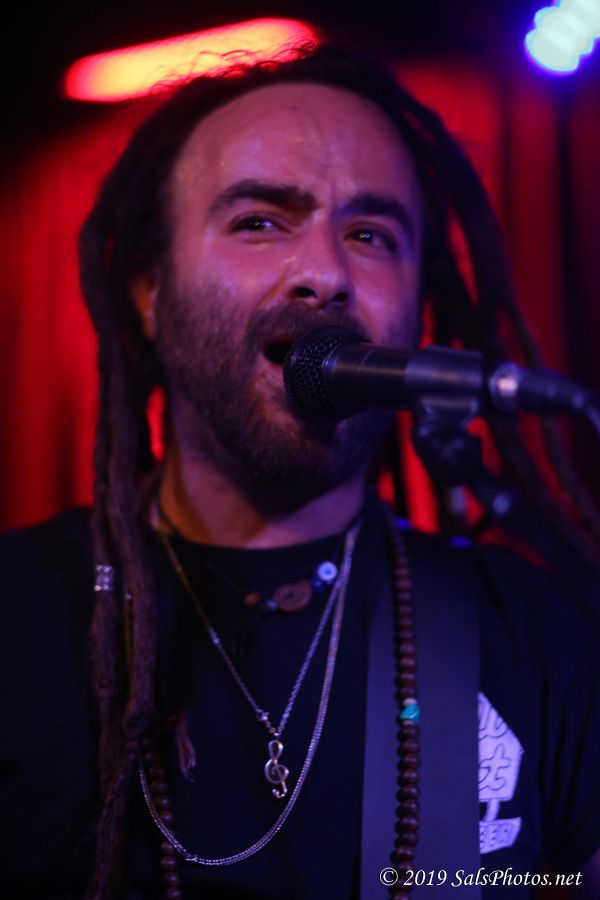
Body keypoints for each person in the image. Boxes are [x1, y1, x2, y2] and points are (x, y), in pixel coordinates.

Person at [2, 44, 600, 900]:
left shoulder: (542, 637)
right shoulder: (22, 612)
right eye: (260, 222)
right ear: (149, 289)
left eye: (370, 235)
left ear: (419, 309)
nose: (326, 273)